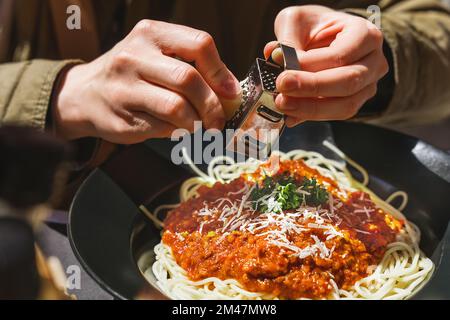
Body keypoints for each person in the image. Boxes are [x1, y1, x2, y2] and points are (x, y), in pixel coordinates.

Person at [1, 0, 450, 170]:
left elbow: (436, 28)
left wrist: (379, 57)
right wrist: (58, 93)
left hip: (263, 176)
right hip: (38, 228)